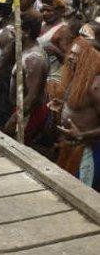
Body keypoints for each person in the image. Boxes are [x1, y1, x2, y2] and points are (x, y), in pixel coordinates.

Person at [53, 36, 100, 191]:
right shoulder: (76, 76)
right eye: (71, 53)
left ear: (89, 59)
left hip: (87, 151)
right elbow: (78, 106)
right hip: (68, 146)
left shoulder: (95, 86)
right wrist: (63, 106)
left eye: (76, 55)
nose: (71, 58)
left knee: (80, 193)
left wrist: (82, 135)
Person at [4, 12, 49, 147]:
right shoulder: (25, 49)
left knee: (17, 148)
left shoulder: (34, 59)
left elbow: (32, 97)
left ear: (27, 31)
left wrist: (14, 120)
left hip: (29, 112)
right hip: (22, 109)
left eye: (16, 27)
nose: (12, 29)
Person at [38, 0, 73, 100]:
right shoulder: (41, 25)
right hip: (38, 75)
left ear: (58, 12)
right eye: (43, 10)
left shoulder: (63, 30)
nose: (44, 13)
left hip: (53, 80)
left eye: (49, 10)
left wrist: (56, 51)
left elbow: (70, 61)